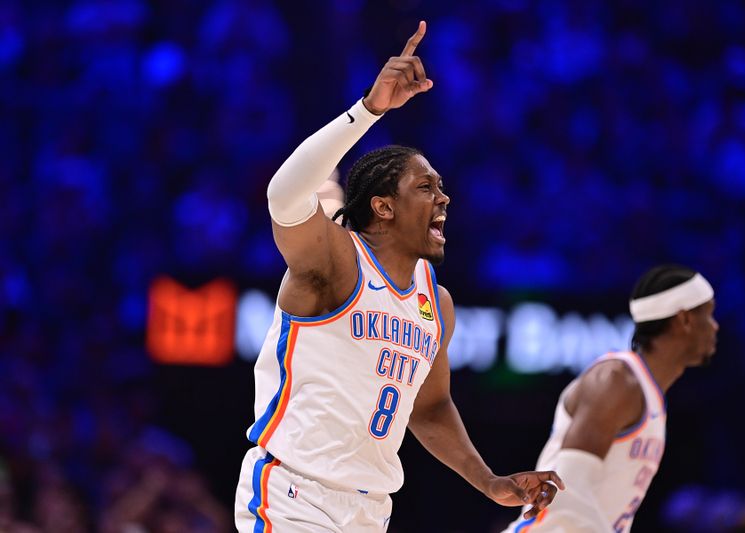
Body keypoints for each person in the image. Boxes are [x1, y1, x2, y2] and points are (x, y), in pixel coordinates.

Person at [234, 21, 564, 533]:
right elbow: (283, 196)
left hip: (370, 510)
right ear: (383, 206)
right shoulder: (337, 261)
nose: (444, 198)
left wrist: (489, 482)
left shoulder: (437, 302)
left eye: (441, 187)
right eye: (426, 187)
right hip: (293, 495)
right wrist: (368, 110)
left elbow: (429, 408)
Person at [501, 264, 718, 533]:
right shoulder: (616, 380)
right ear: (684, 320)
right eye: (709, 314)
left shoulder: (651, 395)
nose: (715, 326)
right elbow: (568, 491)